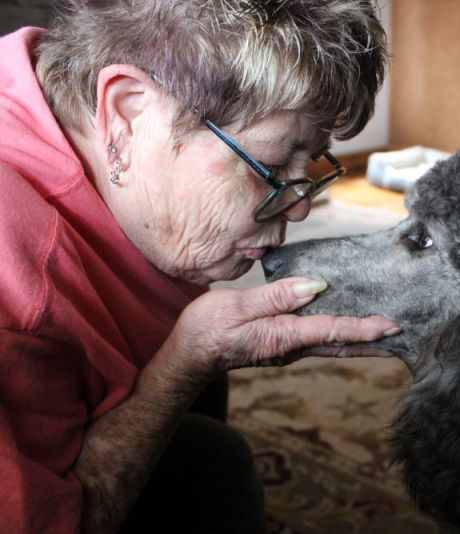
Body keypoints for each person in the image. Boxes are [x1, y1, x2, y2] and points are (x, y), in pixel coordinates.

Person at [0, 1, 394, 532]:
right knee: (214, 465)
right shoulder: (17, 296)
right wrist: (180, 368)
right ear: (128, 112)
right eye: (272, 165)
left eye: (312, 161)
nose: (300, 207)